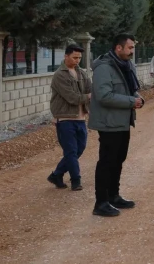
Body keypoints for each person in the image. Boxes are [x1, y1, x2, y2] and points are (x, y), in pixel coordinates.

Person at [88, 34, 145, 217]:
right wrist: (131, 101)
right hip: (109, 123)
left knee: (118, 161)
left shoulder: (126, 66)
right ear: (118, 48)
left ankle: (113, 196)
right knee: (106, 162)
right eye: (129, 48)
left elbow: (131, 89)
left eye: (133, 48)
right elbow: (104, 96)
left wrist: (137, 97)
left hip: (122, 122)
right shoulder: (104, 68)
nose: (132, 51)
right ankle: (101, 202)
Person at [47, 44, 92, 191]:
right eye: (74, 57)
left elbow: (90, 89)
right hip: (65, 119)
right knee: (71, 151)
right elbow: (72, 98)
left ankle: (57, 174)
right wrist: (90, 96)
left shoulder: (82, 73)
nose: (77, 60)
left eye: (79, 57)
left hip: (80, 119)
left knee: (80, 149)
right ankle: (76, 180)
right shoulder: (60, 75)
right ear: (66, 56)